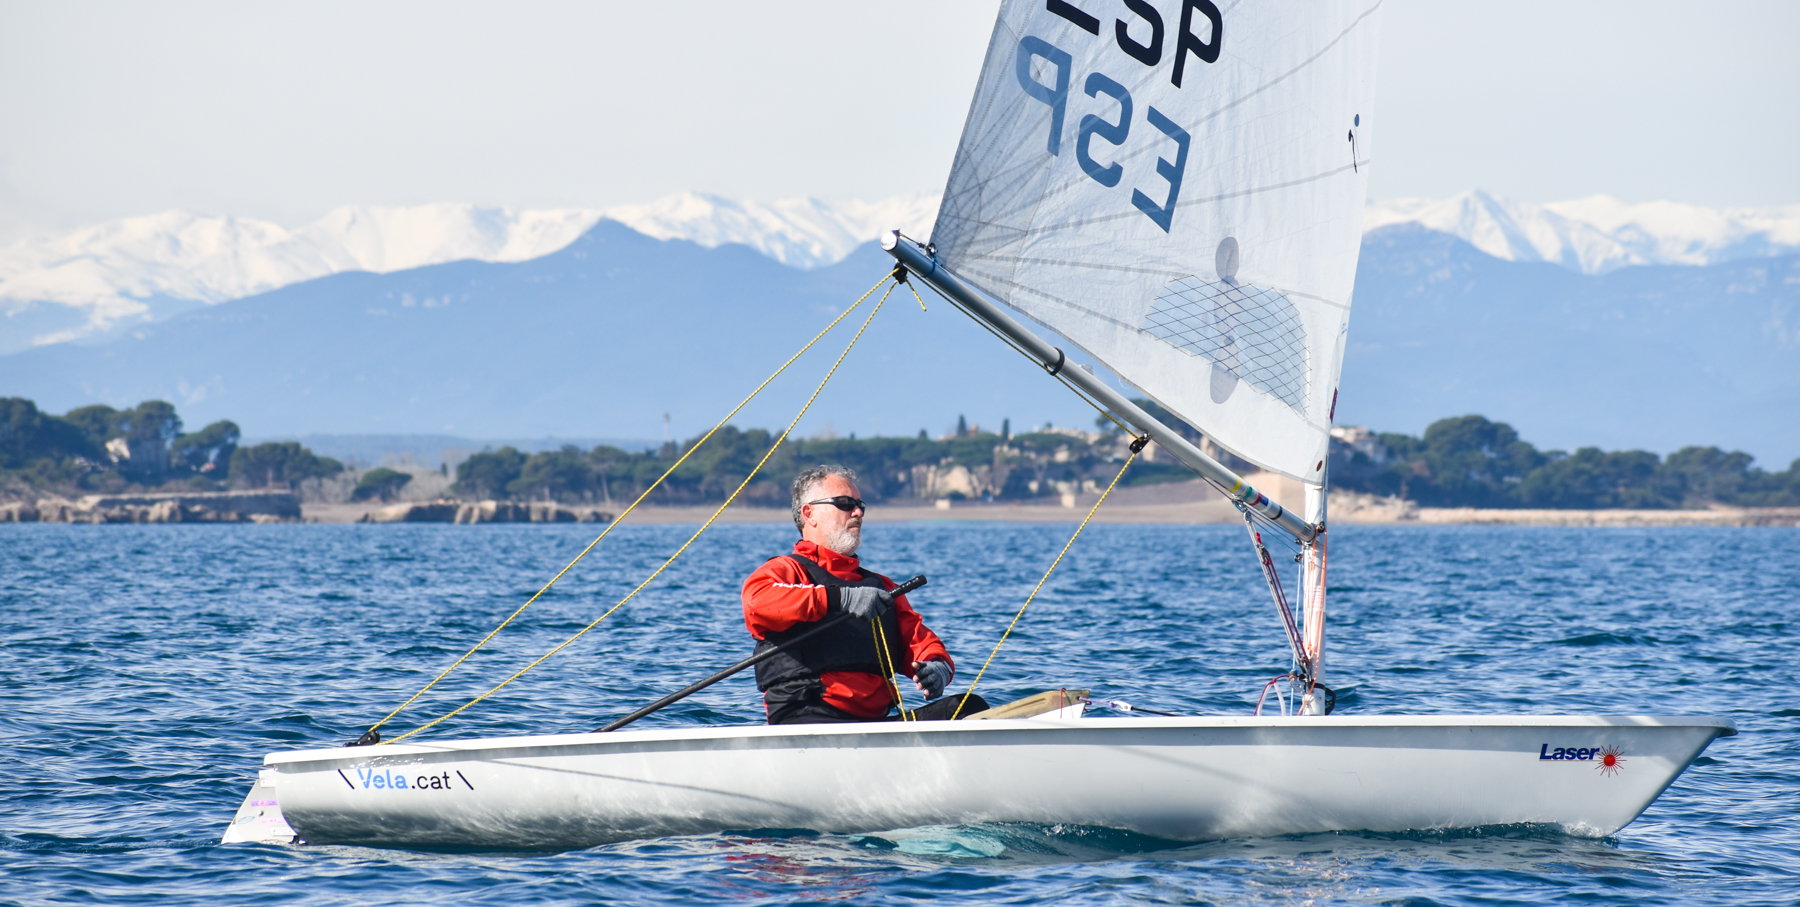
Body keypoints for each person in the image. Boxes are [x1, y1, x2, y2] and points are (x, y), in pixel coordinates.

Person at [741, 464, 988, 724]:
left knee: (970, 707)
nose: (858, 512)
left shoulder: (881, 586)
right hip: (808, 718)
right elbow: (757, 604)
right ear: (809, 513)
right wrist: (840, 599)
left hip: (877, 724)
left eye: (861, 505)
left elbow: (920, 641)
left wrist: (938, 667)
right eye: (845, 503)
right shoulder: (784, 571)